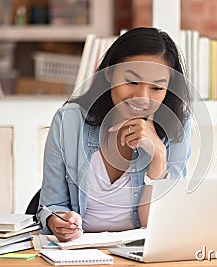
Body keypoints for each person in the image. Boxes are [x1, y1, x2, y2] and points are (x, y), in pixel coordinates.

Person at [37, 27, 192, 242]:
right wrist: (59, 222)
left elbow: (157, 224)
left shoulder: (178, 126)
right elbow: (51, 205)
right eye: (132, 82)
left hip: (139, 252)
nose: (142, 98)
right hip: (80, 253)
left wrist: (158, 155)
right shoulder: (68, 121)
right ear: (109, 73)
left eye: (156, 88)